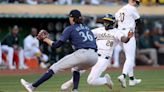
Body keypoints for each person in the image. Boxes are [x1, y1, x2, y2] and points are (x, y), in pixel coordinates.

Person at [20, 9, 98, 92]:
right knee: (76, 69)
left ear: (72, 18)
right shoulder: (87, 28)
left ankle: (32, 86)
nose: (69, 19)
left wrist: (45, 39)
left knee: (54, 67)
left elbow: (56, 45)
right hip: (94, 57)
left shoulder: (70, 28)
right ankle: (75, 90)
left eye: (70, 17)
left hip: (82, 53)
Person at [60, 14, 134, 91]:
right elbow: (86, 33)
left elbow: (124, 39)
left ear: (112, 22)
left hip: (103, 58)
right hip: (93, 55)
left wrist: (128, 38)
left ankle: (105, 80)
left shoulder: (117, 32)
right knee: (77, 69)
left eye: (108, 21)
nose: (105, 23)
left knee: (91, 81)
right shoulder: (99, 30)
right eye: (105, 21)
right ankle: (71, 82)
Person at [115, 0, 141, 88]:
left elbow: (116, 21)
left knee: (128, 58)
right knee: (130, 58)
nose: (137, 4)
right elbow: (139, 21)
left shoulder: (120, 10)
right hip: (128, 33)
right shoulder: (132, 8)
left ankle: (132, 79)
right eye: (136, 2)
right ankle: (123, 75)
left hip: (119, 34)